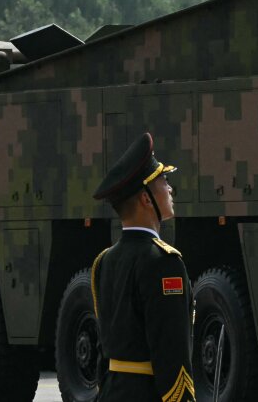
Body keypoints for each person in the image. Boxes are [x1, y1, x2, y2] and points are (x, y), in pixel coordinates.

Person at [91, 133, 196, 402]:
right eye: (163, 181)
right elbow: (171, 352)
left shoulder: (104, 261)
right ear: (146, 199)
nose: (170, 189)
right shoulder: (164, 263)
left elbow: (104, 352)